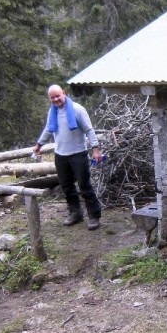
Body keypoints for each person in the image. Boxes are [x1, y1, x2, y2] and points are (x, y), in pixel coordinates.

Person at [32, 84, 103, 230]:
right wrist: (39, 144)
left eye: (57, 96)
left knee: (84, 186)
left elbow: (89, 130)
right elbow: (48, 129)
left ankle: (94, 216)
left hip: (78, 154)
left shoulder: (77, 109)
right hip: (61, 155)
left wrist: (95, 150)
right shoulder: (52, 112)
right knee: (66, 186)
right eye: (52, 97)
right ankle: (75, 213)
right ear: (50, 99)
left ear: (63, 93)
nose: (56, 99)